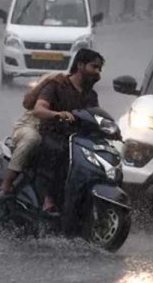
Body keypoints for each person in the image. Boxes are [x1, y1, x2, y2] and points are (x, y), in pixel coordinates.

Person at [32, 48, 105, 215]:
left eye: (99, 69)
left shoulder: (91, 94)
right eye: (94, 67)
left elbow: (95, 116)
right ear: (80, 65)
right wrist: (57, 114)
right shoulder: (57, 86)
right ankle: (47, 198)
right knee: (57, 151)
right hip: (53, 134)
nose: (97, 72)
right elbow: (39, 109)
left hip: (79, 138)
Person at [0, 72, 70, 200]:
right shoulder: (51, 87)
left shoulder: (83, 91)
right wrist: (57, 114)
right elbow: (35, 108)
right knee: (32, 139)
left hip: (54, 130)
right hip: (29, 126)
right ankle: (6, 184)